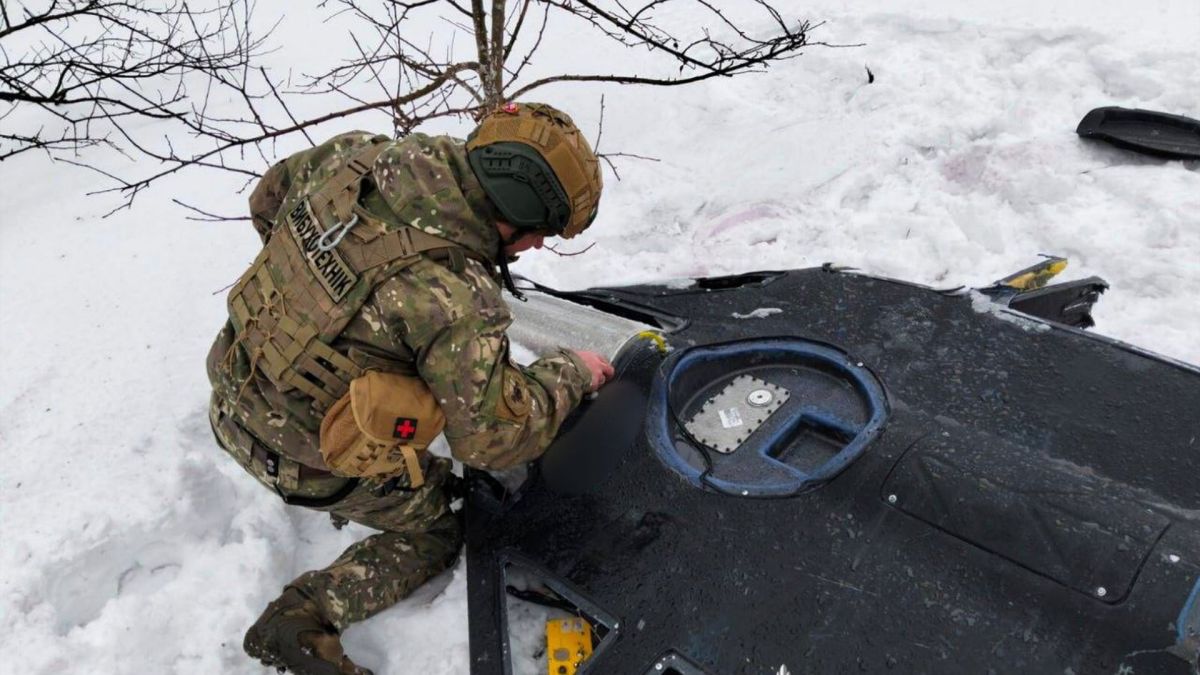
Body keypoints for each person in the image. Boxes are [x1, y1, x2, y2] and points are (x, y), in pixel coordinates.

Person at [205, 102, 614, 675]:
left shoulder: (354, 159)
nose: (539, 247)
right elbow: (492, 439)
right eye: (540, 232)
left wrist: (321, 304)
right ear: (513, 216)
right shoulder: (454, 294)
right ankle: (303, 615)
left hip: (234, 386)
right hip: (300, 458)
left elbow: (267, 201)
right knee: (446, 521)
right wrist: (571, 372)